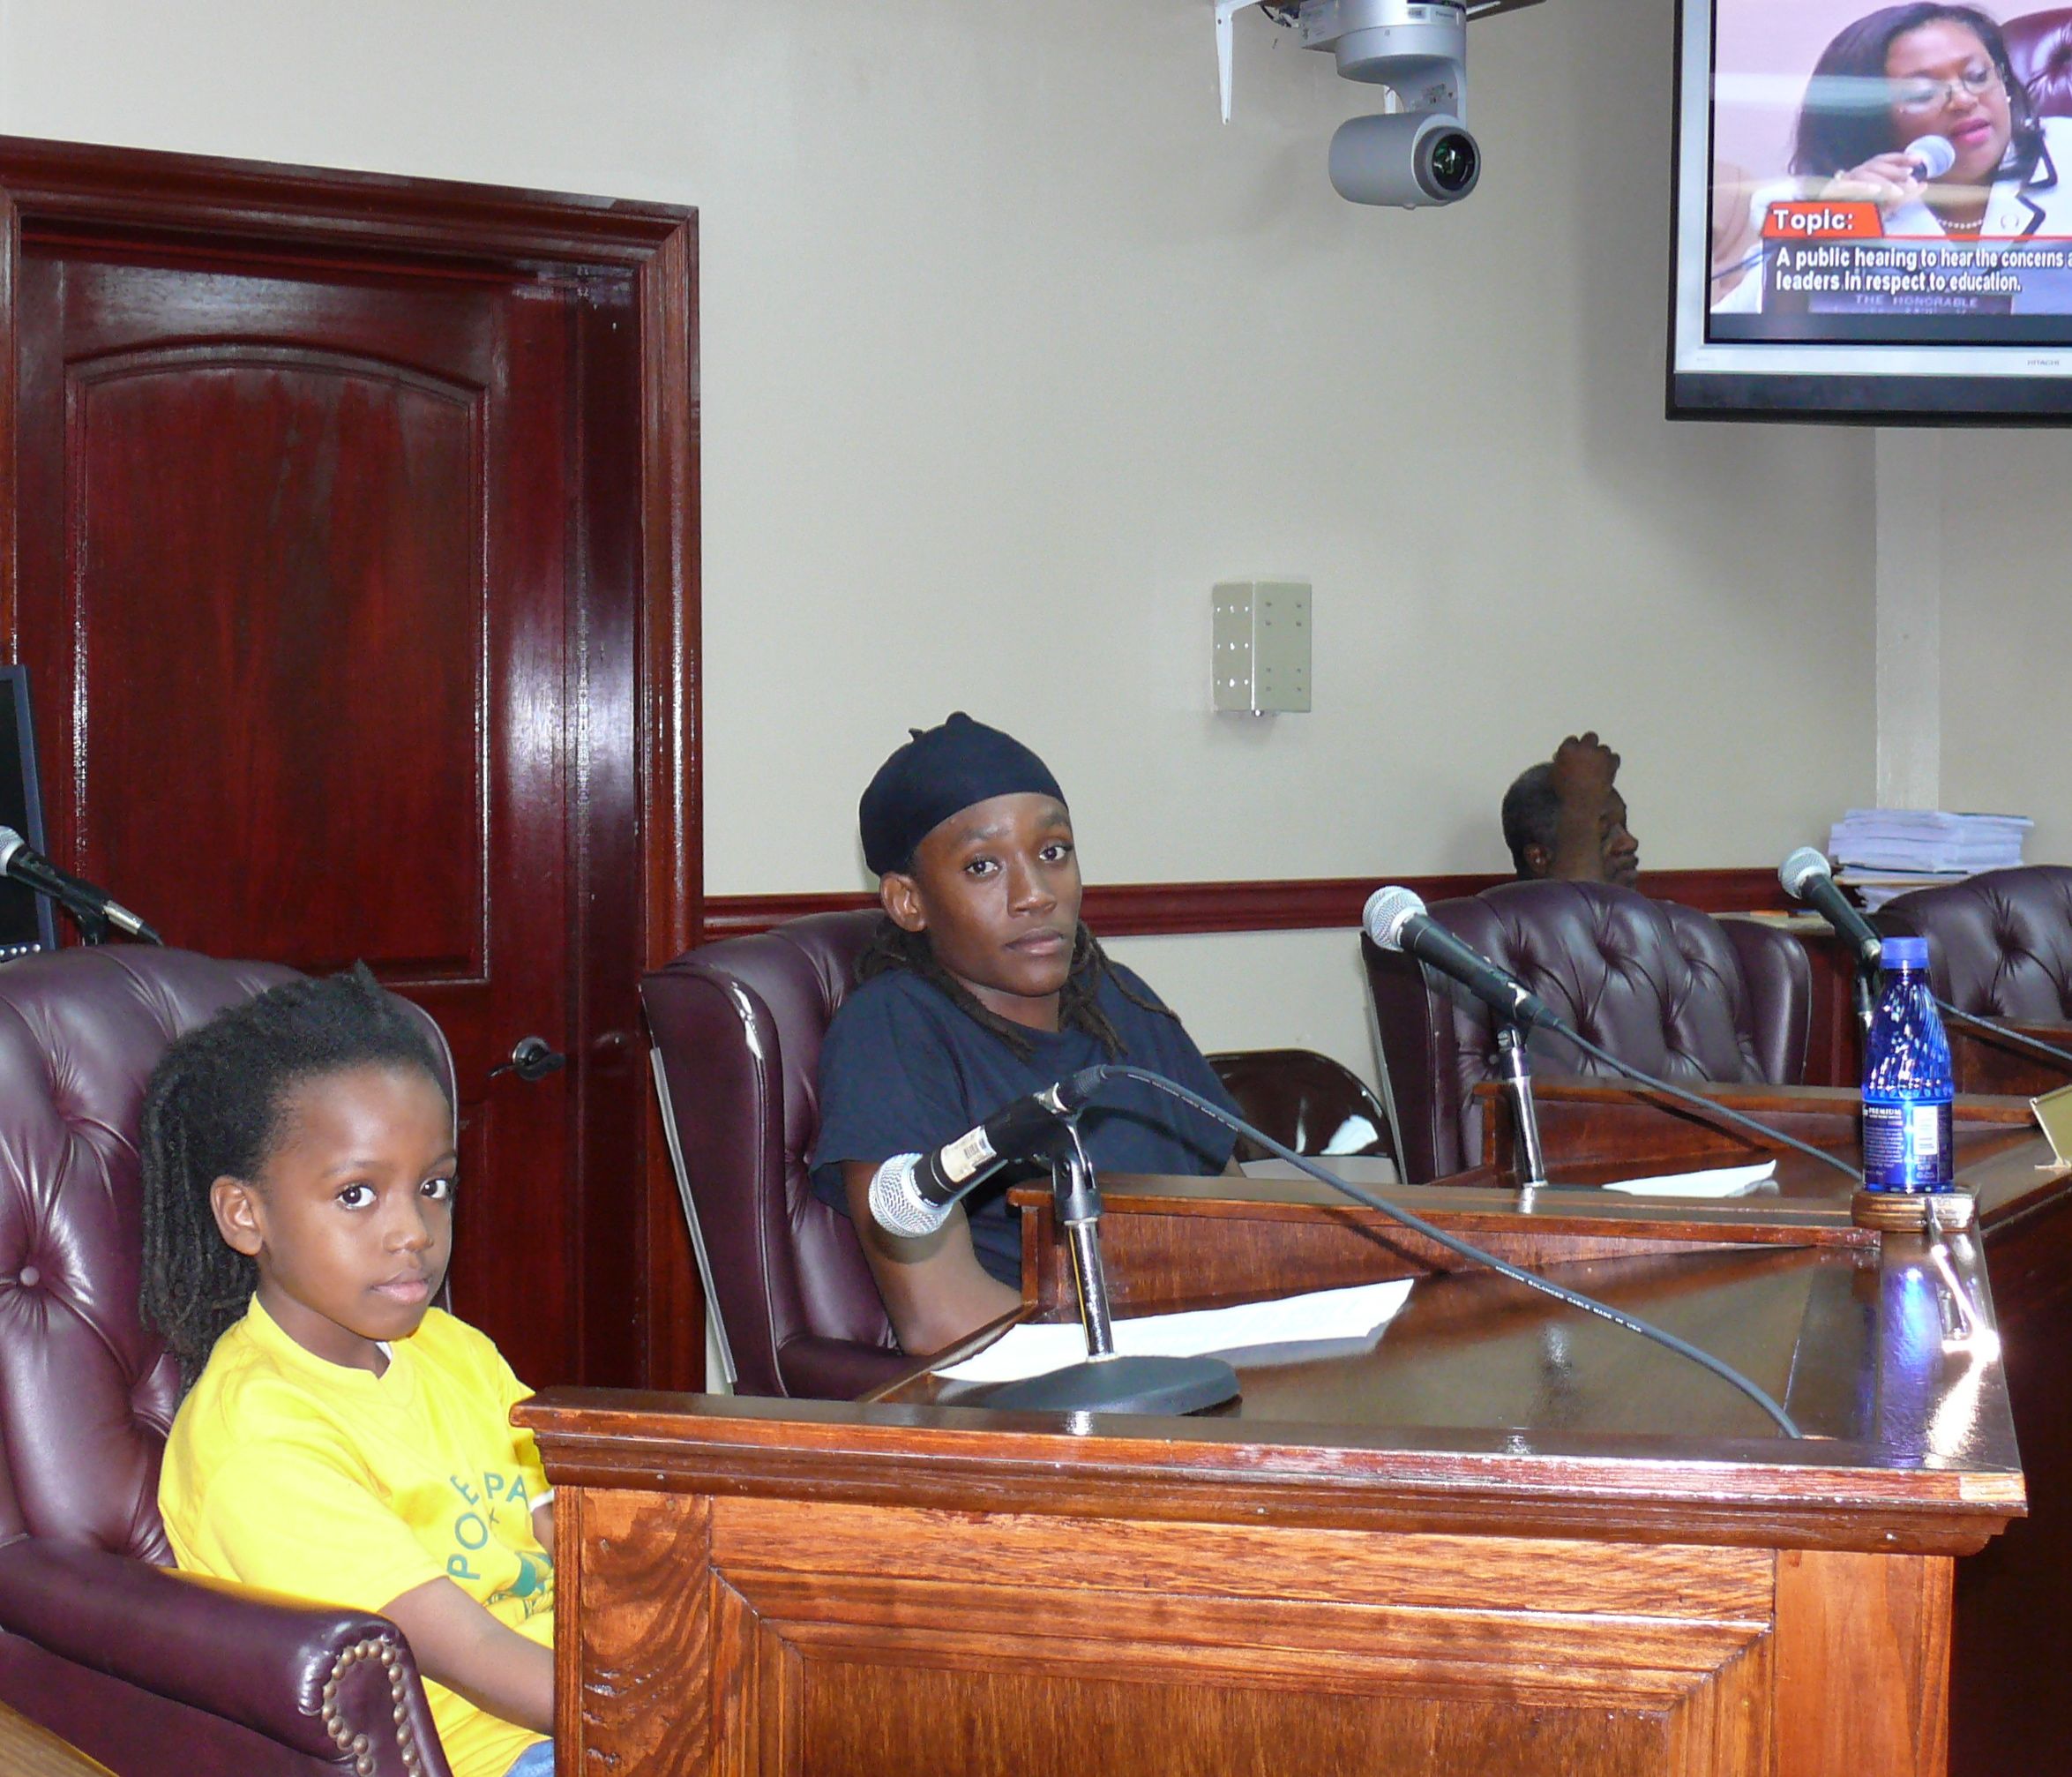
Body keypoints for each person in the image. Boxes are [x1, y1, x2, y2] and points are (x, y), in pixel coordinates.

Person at [146, 968, 555, 1777]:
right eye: (358, 1194)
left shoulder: (455, 1350)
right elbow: (469, 1652)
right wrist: (680, 1697)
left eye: (434, 1186)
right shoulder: (258, 1439)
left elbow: (576, 1536)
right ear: (245, 1214)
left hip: (595, 1701)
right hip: (498, 1753)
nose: (414, 1232)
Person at [811, 713, 1240, 1355]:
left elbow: (1245, 1215)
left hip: (1223, 1351)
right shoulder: (893, 1028)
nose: (1035, 894)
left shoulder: (1115, 996)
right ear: (908, 901)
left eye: (1052, 852)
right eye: (982, 866)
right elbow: (941, 1319)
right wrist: (1153, 1360)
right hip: (1059, 1397)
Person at [1717, 4, 2072, 310]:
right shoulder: (1809, 205)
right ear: (1870, 119)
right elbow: (1738, 339)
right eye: (1922, 92)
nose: (1964, 99)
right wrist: (1828, 233)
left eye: (1977, 76)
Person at [1500, 731, 1639, 887]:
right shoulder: (1494, 911)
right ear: (1540, 858)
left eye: (1624, 825)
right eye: (1603, 834)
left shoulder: (1652, 910)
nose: (1630, 843)